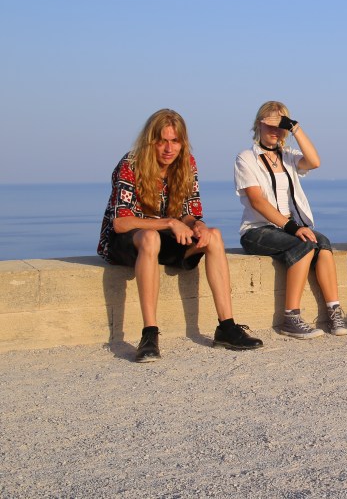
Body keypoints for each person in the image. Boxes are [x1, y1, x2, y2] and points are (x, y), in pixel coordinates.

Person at [98, 109, 264, 363]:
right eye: (162, 141)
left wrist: (197, 226)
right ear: (150, 141)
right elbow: (120, 222)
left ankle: (226, 327)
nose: (169, 148)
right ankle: (149, 335)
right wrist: (169, 222)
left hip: (164, 238)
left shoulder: (187, 163)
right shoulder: (131, 163)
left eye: (175, 141)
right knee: (150, 238)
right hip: (126, 242)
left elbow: (189, 214)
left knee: (214, 235)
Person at [234, 101, 347, 340]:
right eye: (270, 125)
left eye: (280, 126)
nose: (275, 131)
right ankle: (291, 317)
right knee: (304, 244)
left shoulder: (288, 157)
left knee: (323, 244)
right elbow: (257, 201)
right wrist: (293, 227)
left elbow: (315, 162)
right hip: (258, 230)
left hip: (288, 227)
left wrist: (295, 127)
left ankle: (334, 311)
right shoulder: (246, 158)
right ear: (258, 124)